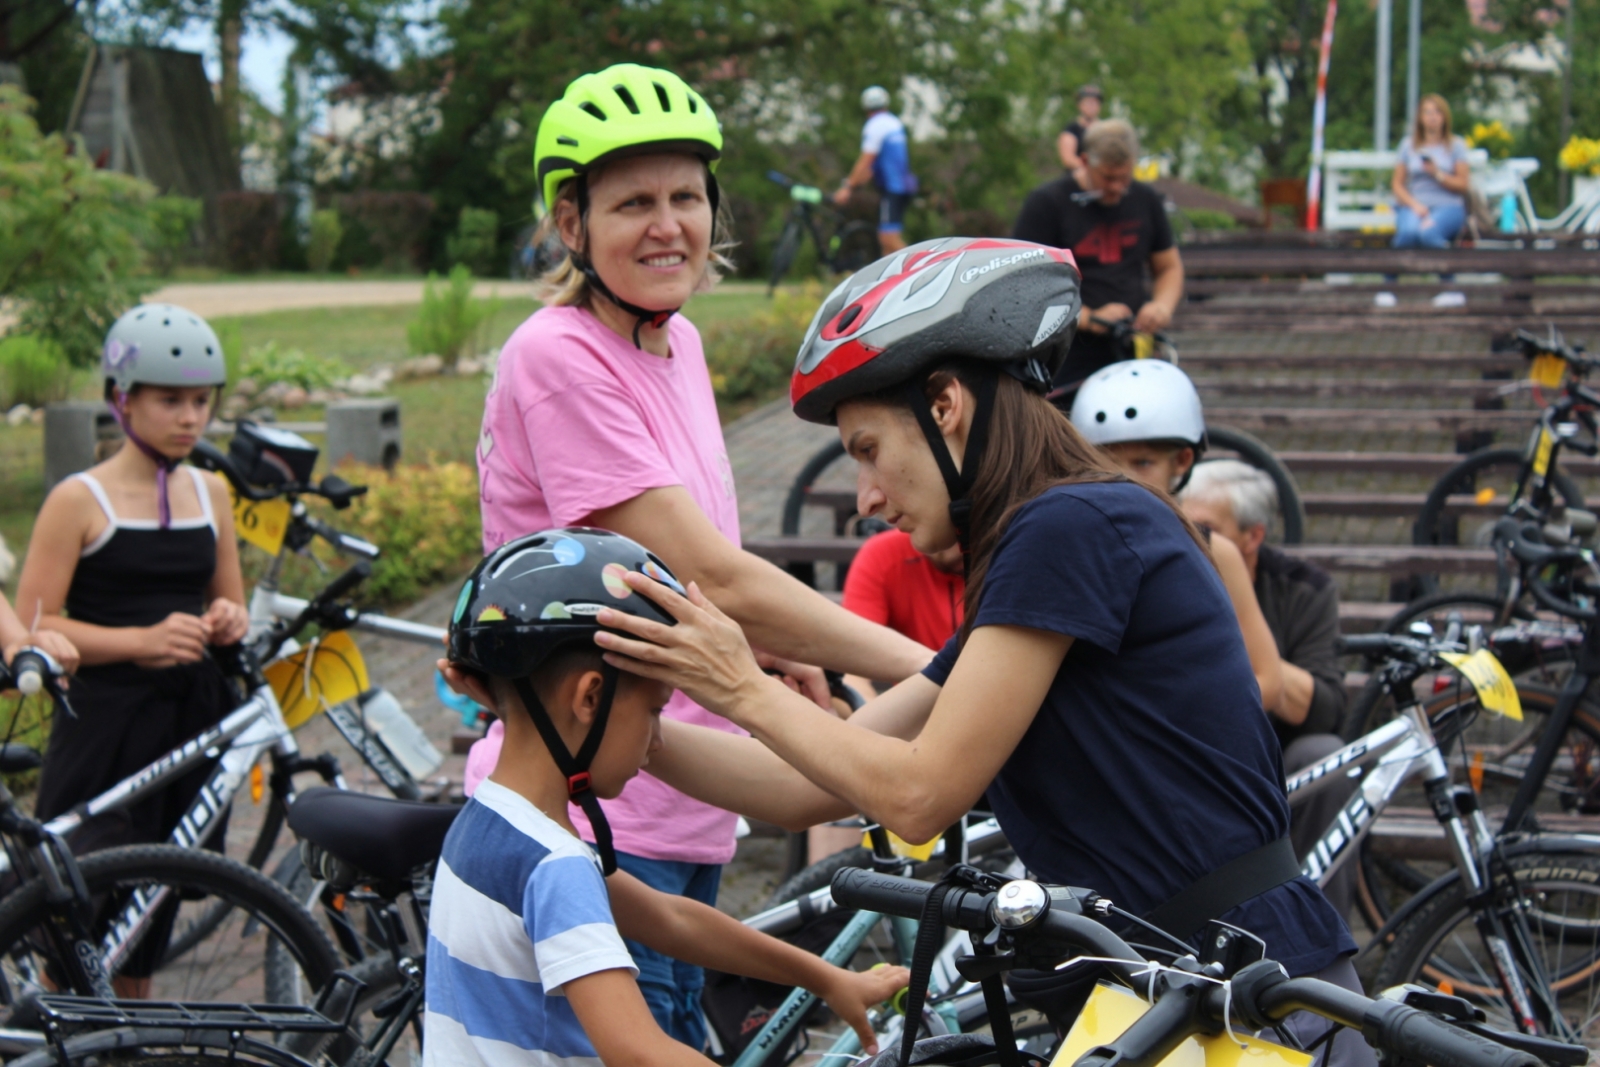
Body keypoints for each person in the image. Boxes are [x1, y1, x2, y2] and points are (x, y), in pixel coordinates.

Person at [553, 238, 1372, 1067]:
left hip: (1240, 1004)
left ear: (945, 404)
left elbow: (917, 795)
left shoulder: (1070, 528)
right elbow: (800, 790)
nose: (866, 498)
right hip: (1180, 992)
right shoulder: (1049, 550)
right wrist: (599, 729)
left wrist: (738, 684)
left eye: (868, 450)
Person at [472, 62, 931, 1047]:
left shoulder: (671, 345)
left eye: (686, 196)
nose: (667, 223)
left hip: (683, 783)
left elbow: (698, 557)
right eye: (632, 201)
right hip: (603, 793)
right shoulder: (558, 357)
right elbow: (710, 576)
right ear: (570, 224)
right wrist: (922, 661)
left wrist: (774, 648)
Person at [430, 529, 908, 1066]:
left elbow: (670, 920)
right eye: (655, 710)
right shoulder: (553, 863)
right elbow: (639, 1051)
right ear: (590, 697)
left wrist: (826, 978)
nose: (657, 739)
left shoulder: (490, 822)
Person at [15, 303, 249, 995]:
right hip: (105, 727)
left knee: (154, 904)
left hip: (189, 719)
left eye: (201, 401)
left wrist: (227, 618)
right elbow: (36, 627)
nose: (190, 417)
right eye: (170, 400)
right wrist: (138, 641)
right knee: (79, 905)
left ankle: (129, 1037)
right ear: (123, 399)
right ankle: (63, 1031)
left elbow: (224, 600)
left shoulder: (211, 491)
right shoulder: (77, 500)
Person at [1181, 461, 1357, 917]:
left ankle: (1327, 928)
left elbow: (1326, 706)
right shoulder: (1167, 572)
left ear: (1252, 537)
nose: (1189, 536)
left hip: (1281, 750)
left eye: (1205, 528)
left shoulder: (1304, 588)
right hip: (1195, 746)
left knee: (1325, 753)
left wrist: (1243, 639)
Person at [1068, 359, 1283, 714]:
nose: (1123, 479)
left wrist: (1180, 719)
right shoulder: (1069, 550)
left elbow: (1268, 679)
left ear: (1182, 461)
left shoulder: (1216, 552)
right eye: (1103, 463)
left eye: (1143, 462)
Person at [1013, 120, 1184, 396]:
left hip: (1131, 344)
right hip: (1066, 354)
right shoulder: (1047, 203)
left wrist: (1161, 306)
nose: (1117, 187)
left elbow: (1168, 267)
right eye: (1107, 178)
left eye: (1124, 177)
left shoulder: (1146, 200)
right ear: (1083, 160)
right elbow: (1025, 283)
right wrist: (1089, 317)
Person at [834, 85, 917, 255]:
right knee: (886, 245)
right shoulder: (894, 122)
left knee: (888, 239)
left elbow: (866, 160)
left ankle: (927, 269)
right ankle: (895, 281)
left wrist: (848, 187)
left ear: (866, 108)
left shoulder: (874, 126)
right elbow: (874, 166)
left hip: (893, 188)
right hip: (903, 186)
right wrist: (859, 183)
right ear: (886, 104)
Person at [1390, 94, 1470, 252]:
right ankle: (1389, 273)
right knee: (1408, 233)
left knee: (1428, 233)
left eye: (1437, 112)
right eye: (1427, 112)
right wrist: (1415, 205)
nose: (1432, 117)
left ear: (1445, 116)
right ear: (1420, 117)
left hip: (1448, 206)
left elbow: (1463, 184)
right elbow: (1397, 184)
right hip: (1415, 205)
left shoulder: (1456, 145)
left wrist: (1437, 173)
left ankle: (1449, 269)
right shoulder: (1408, 145)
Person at [1056, 83, 1102, 176]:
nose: (1091, 106)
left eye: (1095, 102)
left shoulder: (1106, 130)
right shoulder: (1071, 129)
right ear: (1080, 105)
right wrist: (1093, 168)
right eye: (1088, 102)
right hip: (1077, 179)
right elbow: (1068, 159)